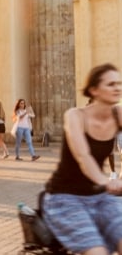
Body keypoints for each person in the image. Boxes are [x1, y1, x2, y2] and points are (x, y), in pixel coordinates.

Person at [42, 63, 122, 255]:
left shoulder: (119, 114)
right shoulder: (75, 116)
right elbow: (82, 155)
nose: (117, 88)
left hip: (101, 197)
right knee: (98, 252)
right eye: (110, 84)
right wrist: (106, 180)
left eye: (119, 83)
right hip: (64, 198)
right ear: (94, 90)